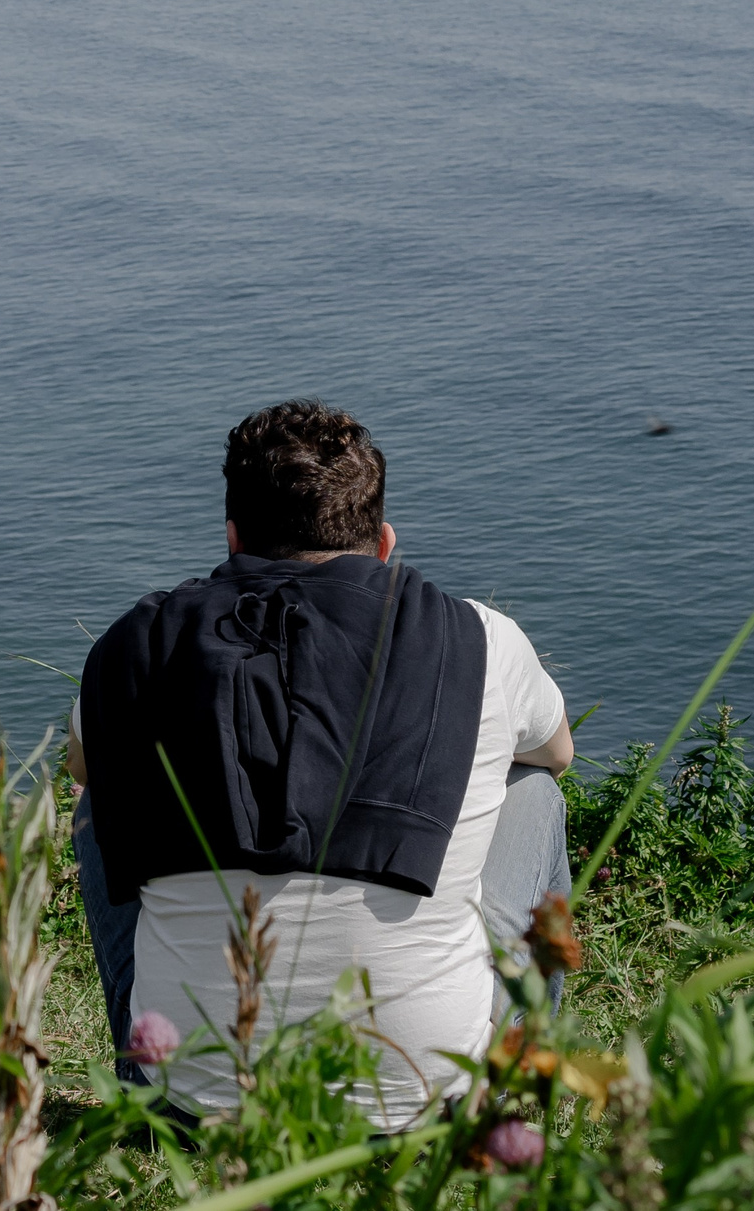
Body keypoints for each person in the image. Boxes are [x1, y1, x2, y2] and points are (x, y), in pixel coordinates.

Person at [67, 400, 572, 1126]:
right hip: (429, 1108)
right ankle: (519, 1079)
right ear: (384, 544)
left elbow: (81, 765)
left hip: (183, 1108)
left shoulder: (131, 646)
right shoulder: (479, 639)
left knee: (97, 800)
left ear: (233, 537)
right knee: (535, 787)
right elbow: (557, 751)